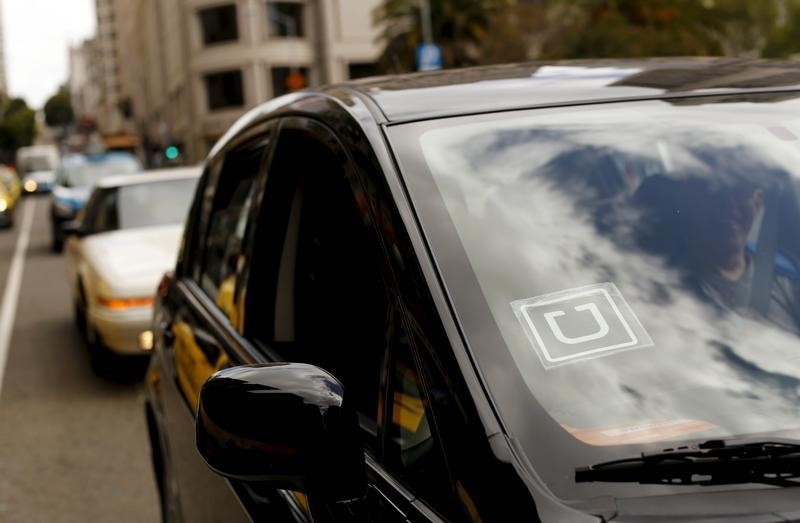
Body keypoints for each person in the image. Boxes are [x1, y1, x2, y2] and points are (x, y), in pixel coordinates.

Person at [634, 174, 800, 334]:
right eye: (714, 192)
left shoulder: (787, 274)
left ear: (758, 201)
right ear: (691, 201)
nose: (729, 206)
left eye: (740, 191)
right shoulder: (661, 288)